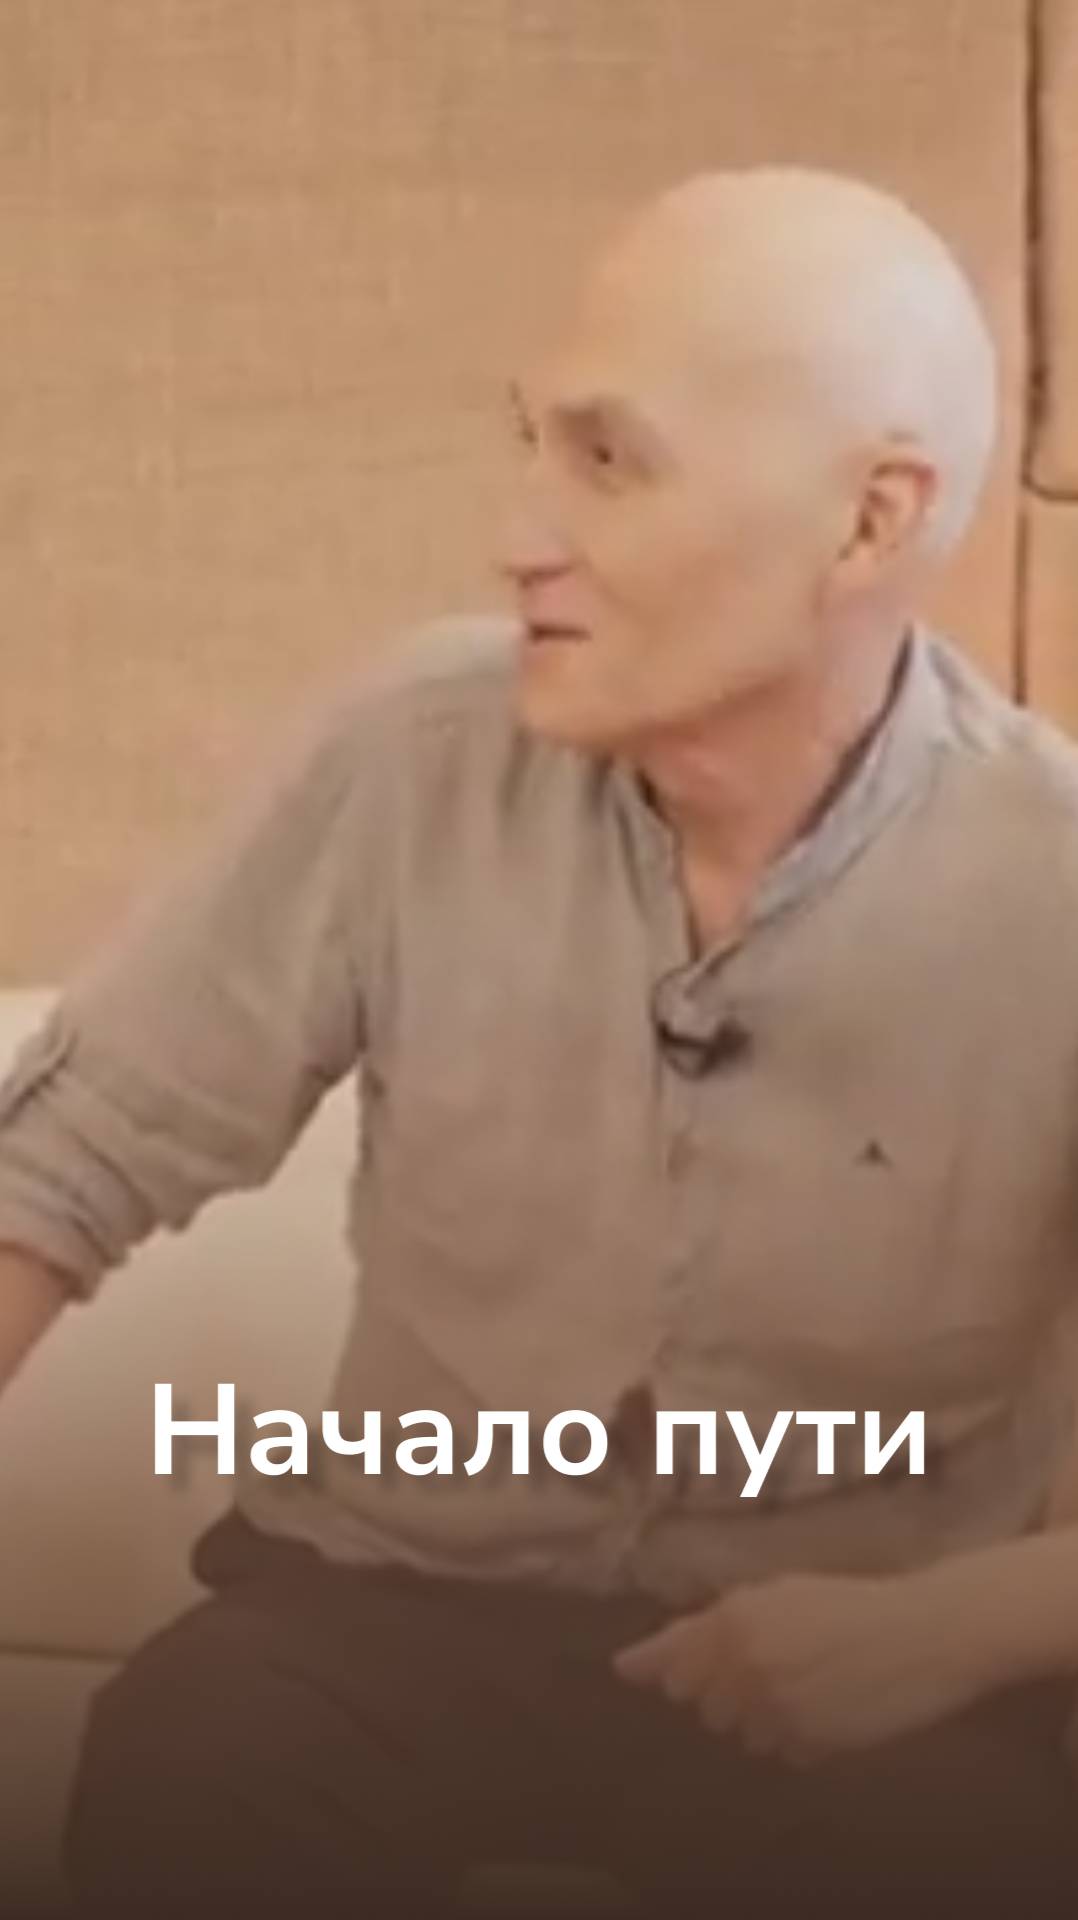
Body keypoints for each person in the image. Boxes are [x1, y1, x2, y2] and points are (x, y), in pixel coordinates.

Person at [2, 165, 1078, 1918]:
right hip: (396, 1607)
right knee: (191, 1760)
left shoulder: (1054, 884)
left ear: (865, 525)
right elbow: (61, 1166)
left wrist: (946, 1631)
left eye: (608, 460)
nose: (519, 536)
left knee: (968, 1855)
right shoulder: (411, 753)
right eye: (533, 444)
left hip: (853, 1653)